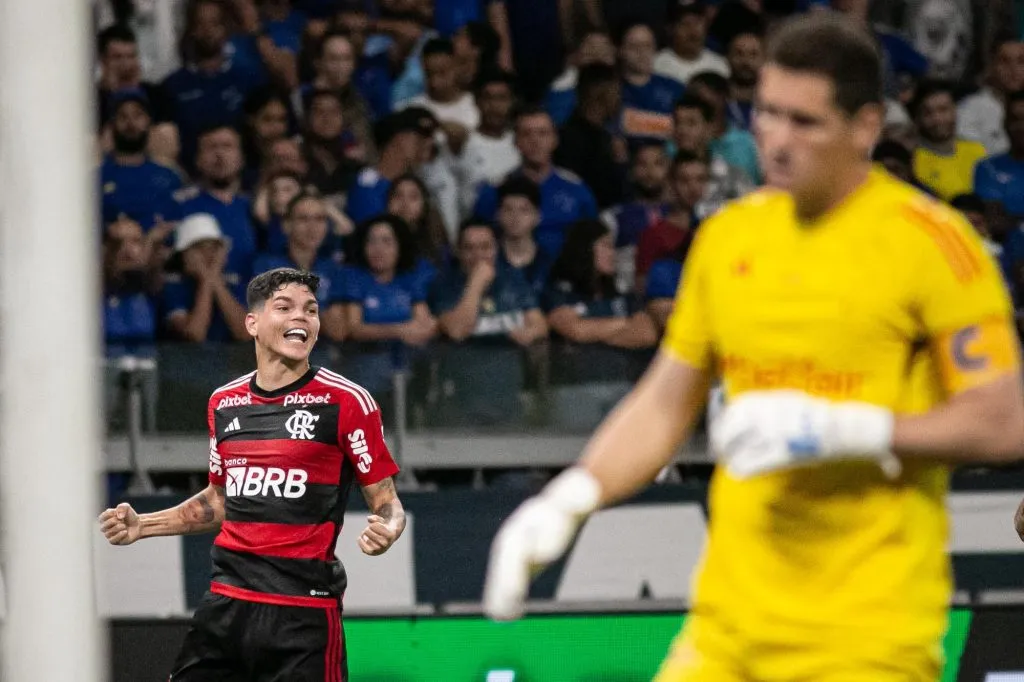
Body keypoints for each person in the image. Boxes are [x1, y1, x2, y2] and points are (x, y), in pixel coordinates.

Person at [484, 13, 1024, 682]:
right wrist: (571, 496)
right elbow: (663, 400)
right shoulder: (727, 239)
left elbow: (1005, 420)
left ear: (866, 125)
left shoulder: (935, 246)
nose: (777, 140)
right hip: (727, 631)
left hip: (867, 636)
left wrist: (848, 430)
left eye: (806, 121)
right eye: (768, 113)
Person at [101, 267, 405, 681]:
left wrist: (388, 528)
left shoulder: (348, 401)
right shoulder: (224, 403)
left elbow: (387, 503)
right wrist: (145, 525)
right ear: (253, 323)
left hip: (303, 615)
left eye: (311, 310)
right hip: (225, 608)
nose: (301, 317)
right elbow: (221, 499)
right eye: (285, 307)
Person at [473, 106, 598, 257]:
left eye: (542, 133)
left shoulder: (577, 190)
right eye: (526, 134)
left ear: (555, 140)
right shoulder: (493, 190)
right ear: (515, 142)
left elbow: (593, 241)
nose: (535, 141)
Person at [544, 220, 658, 349]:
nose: (612, 254)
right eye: (606, 246)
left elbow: (647, 335)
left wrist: (595, 334)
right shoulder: (560, 290)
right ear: (585, 247)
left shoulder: (620, 291)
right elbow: (574, 330)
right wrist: (625, 324)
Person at [252, 191, 348, 341]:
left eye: (319, 219)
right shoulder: (266, 266)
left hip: (323, 357)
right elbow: (262, 325)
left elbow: (337, 331)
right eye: (303, 219)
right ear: (286, 225)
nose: (312, 227)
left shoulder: (333, 269)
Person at [162, 213, 250, 343]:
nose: (208, 255)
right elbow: (195, 335)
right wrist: (207, 280)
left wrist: (213, 279)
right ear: (184, 255)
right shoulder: (173, 289)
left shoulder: (234, 284)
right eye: (200, 249)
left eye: (214, 248)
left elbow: (245, 333)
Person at [554, 63, 629, 209]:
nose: (620, 98)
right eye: (617, 91)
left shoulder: (607, 138)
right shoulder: (568, 140)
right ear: (599, 92)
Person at [910, 79, 987, 202]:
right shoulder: (913, 161)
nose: (937, 119)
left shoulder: (977, 150)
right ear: (917, 119)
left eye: (943, 109)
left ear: (955, 110)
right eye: (927, 113)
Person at [958, 38, 1024, 156]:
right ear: (991, 65)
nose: (1013, 69)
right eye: (1005, 61)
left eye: (1021, 61)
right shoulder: (969, 110)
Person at [496, 176, 551, 295]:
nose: (515, 217)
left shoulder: (549, 264)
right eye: (508, 209)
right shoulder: (489, 260)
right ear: (498, 215)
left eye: (524, 210)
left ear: (537, 216)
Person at [654, 2, 729, 86]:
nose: (693, 32)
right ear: (670, 29)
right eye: (685, 24)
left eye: (697, 23)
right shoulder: (656, 66)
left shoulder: (721, 66)